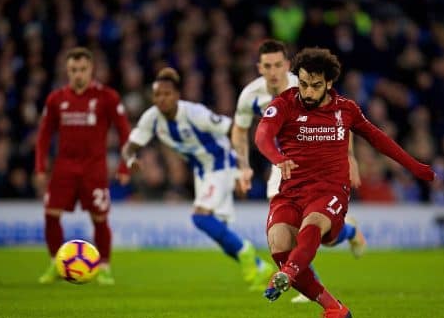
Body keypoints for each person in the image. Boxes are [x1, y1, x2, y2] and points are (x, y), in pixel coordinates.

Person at [255, 48, 434, 318]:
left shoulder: (346, 109)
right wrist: (277, 158)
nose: (308, 92)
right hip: (291, 190)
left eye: (315, 86)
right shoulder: (285, 103)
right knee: (278, 243)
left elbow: (378, 139)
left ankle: (288, 273)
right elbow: (262, 134)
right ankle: (334, 308)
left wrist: (413, 166)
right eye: (302, 84)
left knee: (311, 228)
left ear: (329, 83)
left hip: (330, 190)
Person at [231, 39, 366, 303]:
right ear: (259, 67)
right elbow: (239, 130)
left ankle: (345, 234)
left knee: (317, 232)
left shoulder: (305, 85)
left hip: (319, 165)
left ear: (287, 65)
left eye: (278, 65)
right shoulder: (250, 95)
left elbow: (339, 118)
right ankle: (307, 274)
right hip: (284, 162)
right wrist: (244, 166)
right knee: (283, 220)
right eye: (267, 66)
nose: (273, 71)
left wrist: (349, 157)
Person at [121, 67, 274, 291]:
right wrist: (129, 160)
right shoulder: (152, 118)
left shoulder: (194, 113)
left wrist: (242, 169)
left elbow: (233, 128)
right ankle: (260, 267)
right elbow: (130, 146)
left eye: (167, 94)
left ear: (177, 95)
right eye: (157, 95)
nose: (162, 99)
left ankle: (246, 251)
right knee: (220, 233)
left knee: (200, 217)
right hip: (202, 171)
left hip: (221, 164)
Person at [35, 47, 131, 285]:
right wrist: (39, 167)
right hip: (63, 169)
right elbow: (44, 135)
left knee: (99, 218)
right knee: (51, 215)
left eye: (82, 69)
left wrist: (124, 166)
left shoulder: (107, 97)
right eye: (73, 70)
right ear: (67, 71)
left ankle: (105, 266)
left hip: (94, 170)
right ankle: (56, 264)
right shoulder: (56, 99)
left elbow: (125, 132)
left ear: (91, 70)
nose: (78, 74)